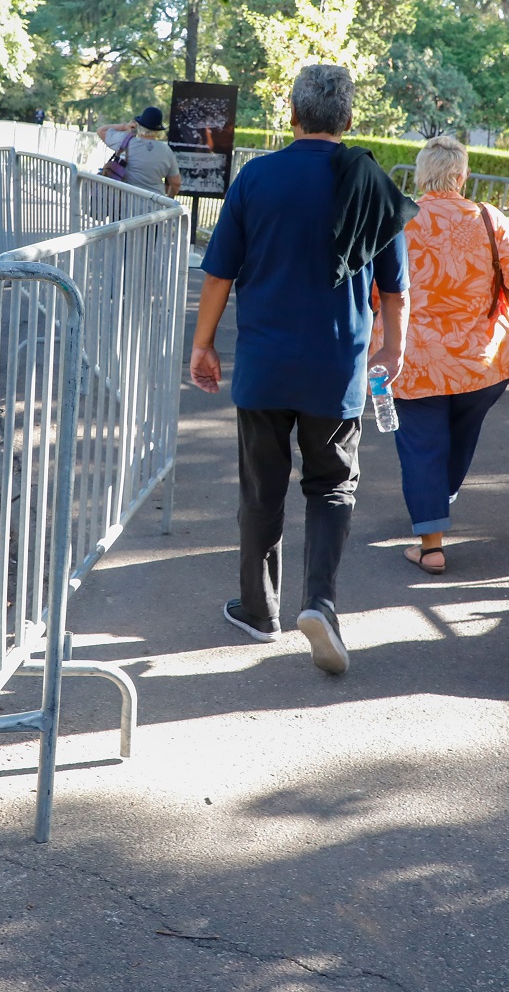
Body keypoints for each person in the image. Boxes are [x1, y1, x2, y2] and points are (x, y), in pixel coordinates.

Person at [190, 64, 410, 675]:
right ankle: (320, 604)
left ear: (292, 116)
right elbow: (395, 290)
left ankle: (259, 611)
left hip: (264, 362)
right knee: (332, 486)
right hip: (337, 364)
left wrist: (203, 344)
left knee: (262, 486)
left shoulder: (257, 176)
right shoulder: (371, 182)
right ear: (349, 120)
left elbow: (218, 273)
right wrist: (392, 350)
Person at [369, 137, 509, 574]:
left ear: (421, 174)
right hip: (482, 360)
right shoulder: (488, 217)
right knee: (461, 436)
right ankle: (437, 502)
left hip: (412, 357)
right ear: (462, 176)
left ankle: (432, 544)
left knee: (423, 445)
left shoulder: (398, 219)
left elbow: (372, 288)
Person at [97, 106, 182, 197]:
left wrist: (125, 126)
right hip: (155, 205)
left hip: (126, 202)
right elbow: (176, 183)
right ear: (158, 130)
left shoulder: (125, 141)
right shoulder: (166, 151)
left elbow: (101, 130)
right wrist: (169, 199)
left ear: (139, 125)